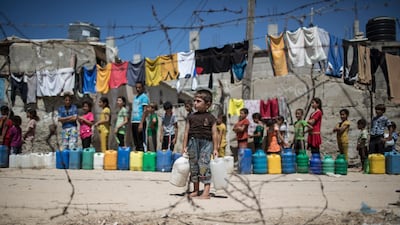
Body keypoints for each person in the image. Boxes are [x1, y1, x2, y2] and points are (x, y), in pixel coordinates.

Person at [182, 89, 218, 199]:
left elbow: (215, 133)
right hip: (193, 142)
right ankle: (196, 190)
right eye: (194, 101)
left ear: (208, 104)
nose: (195, 103)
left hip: (206, 143)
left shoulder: (211, 118)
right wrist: (184, 146)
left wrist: (215, 148)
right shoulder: (191, 117)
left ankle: (206, 190)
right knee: (193, 166)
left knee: (204, 165)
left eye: (198, 101)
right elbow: (186, 132)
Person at [131, 82, 149, 151]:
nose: (138, 89)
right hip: (134, 121)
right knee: (136, 142)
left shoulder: (144, 97)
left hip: (140, 121)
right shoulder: (135, 97)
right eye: (136, 88)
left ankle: (142, 155)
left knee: (140, 141)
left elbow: (145, 111)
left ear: (143, 88)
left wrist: (141, 123)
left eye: (139, 87)